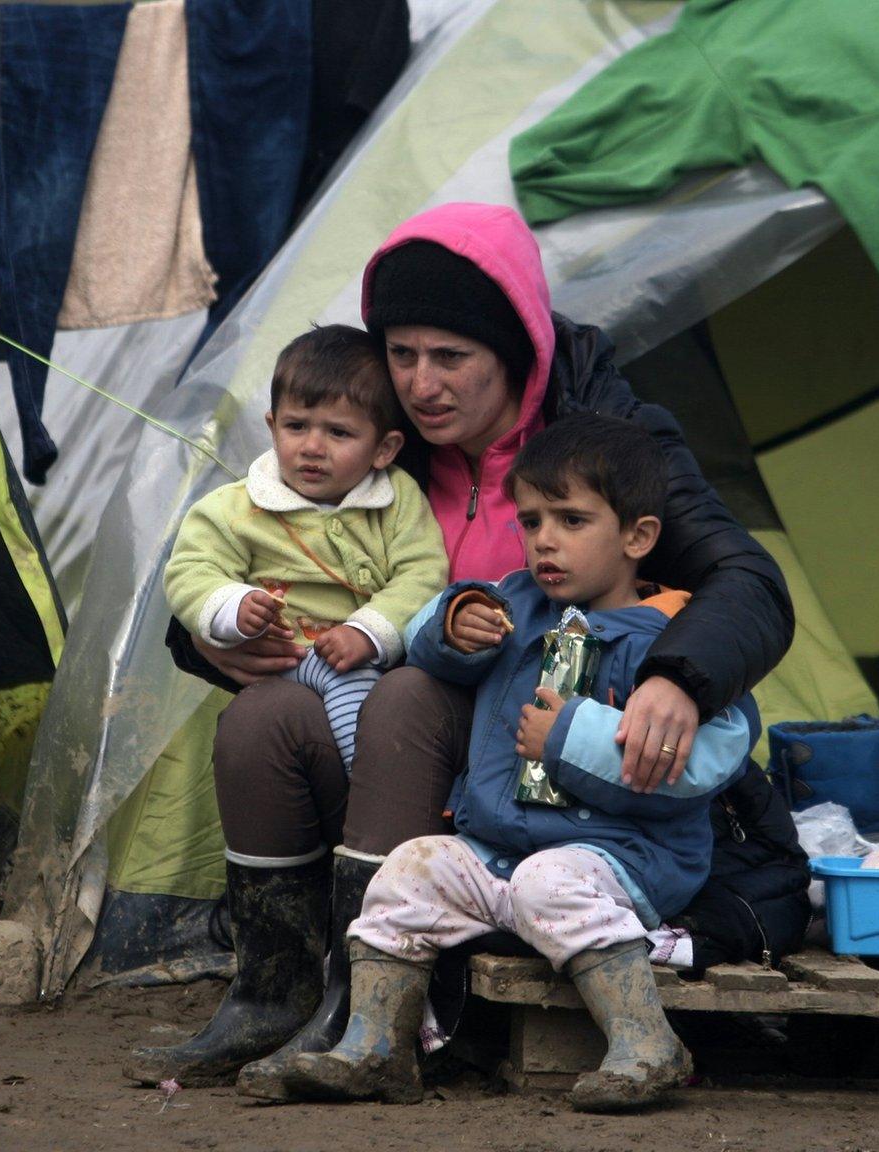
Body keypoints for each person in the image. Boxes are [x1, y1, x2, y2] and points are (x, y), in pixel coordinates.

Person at [127, 202, 794, 1092]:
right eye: (402, 353)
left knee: (406, 694)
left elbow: (746, 582)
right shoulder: (381, 443)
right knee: (262, 716)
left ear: (513, 350)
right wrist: (210, 639)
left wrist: (680, 679)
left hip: (554, 780)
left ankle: (372, 1008)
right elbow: (253, 539)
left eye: (451, 357)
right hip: (416, 763)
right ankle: (270, 991)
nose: (421, 383)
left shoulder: (603, 445)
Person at [269, 414, 756, 1111]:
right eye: (530, 521)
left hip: (621, 856)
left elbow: (711, 760)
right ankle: (377, 1046)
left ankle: (647, 1043)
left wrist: (570, 739)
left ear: (638, 537)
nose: (545, 541)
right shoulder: (515, 605)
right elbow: (420, 642)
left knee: (549, 883)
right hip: (498, 847)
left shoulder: (679, 642)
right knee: (413, 869)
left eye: (572, 520)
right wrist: (452, 624)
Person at [163, 326, 448, 769]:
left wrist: (369, 631)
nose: (312, 447)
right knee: (283, 722)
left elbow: (423, 573)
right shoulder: (235, 507)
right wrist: (230, 606)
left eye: (338, 433)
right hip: (284, 657)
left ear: (385, 448)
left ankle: (372, 794)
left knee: (366, 696)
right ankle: (366, 783)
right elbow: (190, 568)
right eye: (296, 426)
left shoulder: (396, 501)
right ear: (272, 427)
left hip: (367, 663)